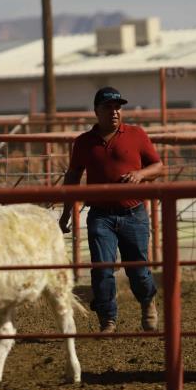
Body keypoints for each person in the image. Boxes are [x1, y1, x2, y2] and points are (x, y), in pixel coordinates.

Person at [59, 87, 164, 334]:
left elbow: (158, 166)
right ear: (96, 111)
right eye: (108, 107)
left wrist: (140, 174)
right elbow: (73, 177)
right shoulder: (84, 143)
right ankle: (108, 319)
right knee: (102, 268)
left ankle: (148, 302)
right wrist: (65, 214)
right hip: (100, 214)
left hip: (133, 212)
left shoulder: (137, 135)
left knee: (138, 269)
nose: (115, 112)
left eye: (118, 107)